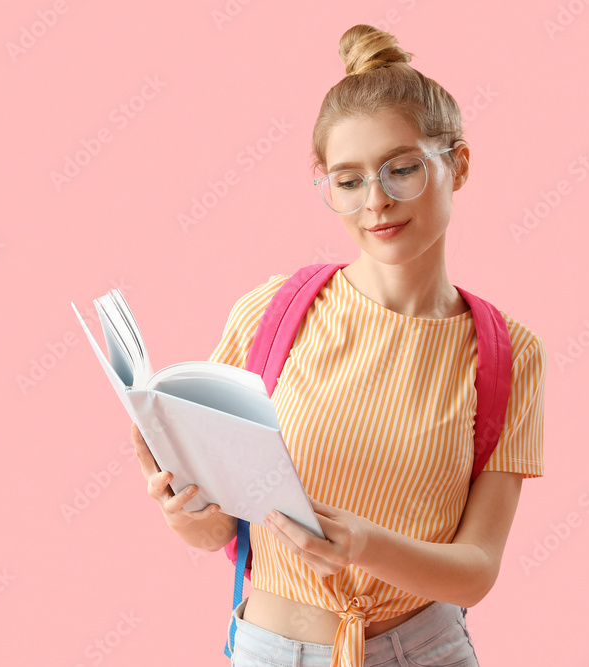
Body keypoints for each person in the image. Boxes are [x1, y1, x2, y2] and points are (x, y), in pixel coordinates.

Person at [131, 24, 546, 667]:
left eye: (401, 169)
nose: (376, 201)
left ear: (458, 164)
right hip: (268, 648)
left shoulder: (506, 352)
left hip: (425, 650)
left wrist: (364, 545)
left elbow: (476, 569)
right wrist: (181, 509)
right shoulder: (273, 312)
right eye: (348, 181)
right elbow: (218, 529)